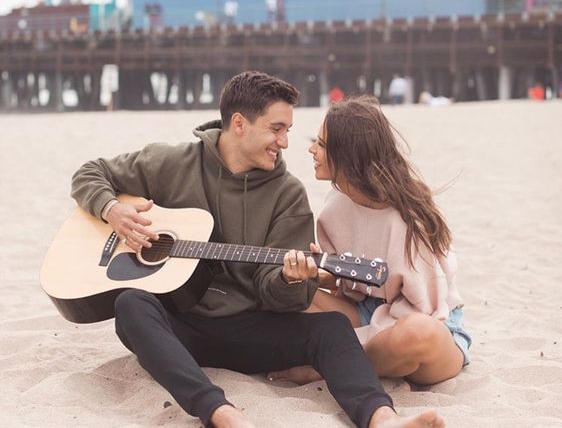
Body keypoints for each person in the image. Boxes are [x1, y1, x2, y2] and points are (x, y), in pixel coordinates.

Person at [71, 72, 443, 428]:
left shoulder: (288, 194)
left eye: (288, 131)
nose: (284, 142)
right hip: (181, 327)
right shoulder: (172, 163)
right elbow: (90, 172)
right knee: (130, 306)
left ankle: (382, 418)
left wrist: (289, 279)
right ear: (238, 124)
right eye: (276, 129)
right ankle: (219, 412)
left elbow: (278, 295)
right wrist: (111, 209)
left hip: (251, 330)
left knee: (330, 327)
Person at [270, 95, 470, 391]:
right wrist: (317, 275)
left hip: (429, 326)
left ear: (349, 154)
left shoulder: (408, 216)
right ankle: (350, 358)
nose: (312, 150)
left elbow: (430, 307)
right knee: (291, 295)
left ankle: (331, 365)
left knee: (417, 334)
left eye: (322, 145)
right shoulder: (335, 207)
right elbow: (350, 284)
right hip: (367, 311)